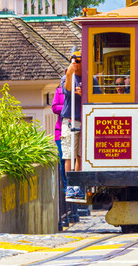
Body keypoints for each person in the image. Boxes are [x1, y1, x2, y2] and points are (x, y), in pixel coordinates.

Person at [62, 46, 84, 199]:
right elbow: (67, 91)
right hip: (70, 119)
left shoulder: (90, 78)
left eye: (78, 60)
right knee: (69, 154)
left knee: (80, 155)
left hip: (84, 120)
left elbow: (97, 97)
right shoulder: (67, 77)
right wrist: (70, 74)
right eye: (73, 60)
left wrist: (86, 95)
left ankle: (79, 185)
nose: (75, 63)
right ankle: (70, 186)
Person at [51, 77, 67, 186]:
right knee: (62, 158)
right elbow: (54, 107)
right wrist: (67, 107)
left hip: (75, 128)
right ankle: (66, 185)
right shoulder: (59, 91)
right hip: (60, 131)